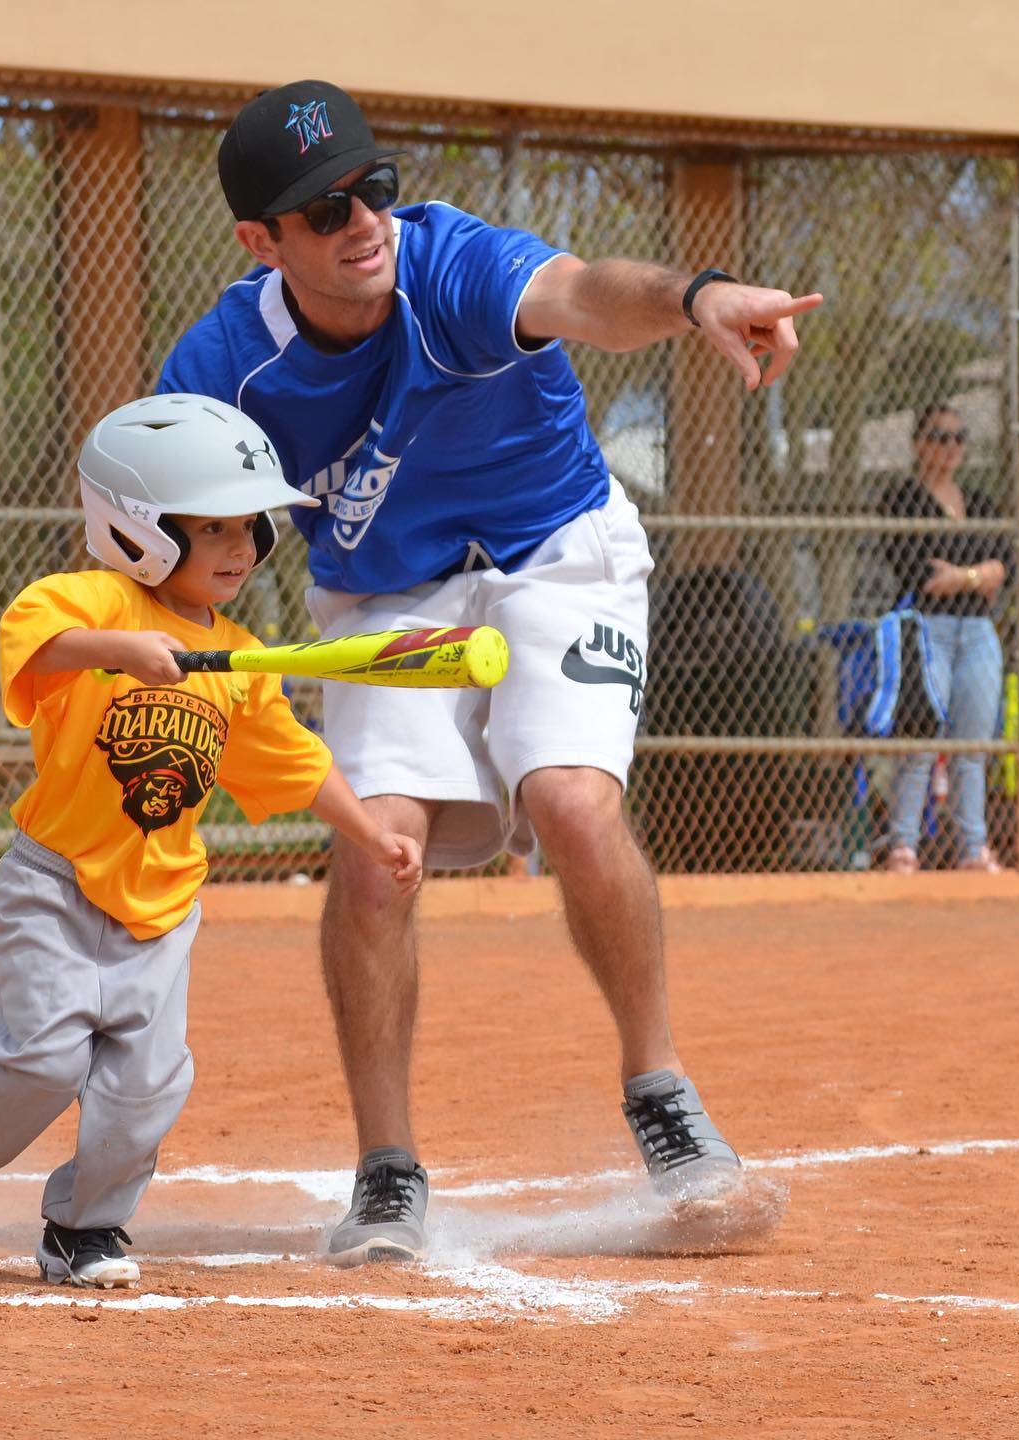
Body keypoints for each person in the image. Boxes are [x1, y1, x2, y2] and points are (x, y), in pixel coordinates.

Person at [158, 80, 823, 1267]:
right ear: (262, 240)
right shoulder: (222, 367)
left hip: (557, 551)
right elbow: (152, 509)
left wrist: (700, 298)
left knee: (571, 801)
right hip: (388, 596)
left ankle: (662, 1095)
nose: (363, 219)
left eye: (374, 185)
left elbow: (583, 294)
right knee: (375, 857)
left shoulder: (451, 266)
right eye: (322, 210)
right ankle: (387, 1171)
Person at [0, 393, 422, 1288]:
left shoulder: (240, 661)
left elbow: (294, 763)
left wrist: (370, 834)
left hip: (161, 909)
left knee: (147, 1087)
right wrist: (119, 648)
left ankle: (83, 1227)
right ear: (140, 531)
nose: (243, 550)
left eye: (252, 529)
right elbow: (34, 644)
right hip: (54, 885)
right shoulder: (87, 601)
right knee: (41, 1061)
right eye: (215, 530)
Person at [880, 401, 1011, 874]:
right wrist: (978, 576)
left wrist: (964, 575)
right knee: (920, 737)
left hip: (977, 632)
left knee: (970, 745)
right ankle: (903, 847)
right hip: (926, 629)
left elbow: (1005, 567)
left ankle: (973, 848)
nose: (950, 446)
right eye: (939, 436)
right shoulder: (902, 498)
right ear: (918, 444)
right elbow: (920, 574)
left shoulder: (979, 502)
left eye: (958, 437)